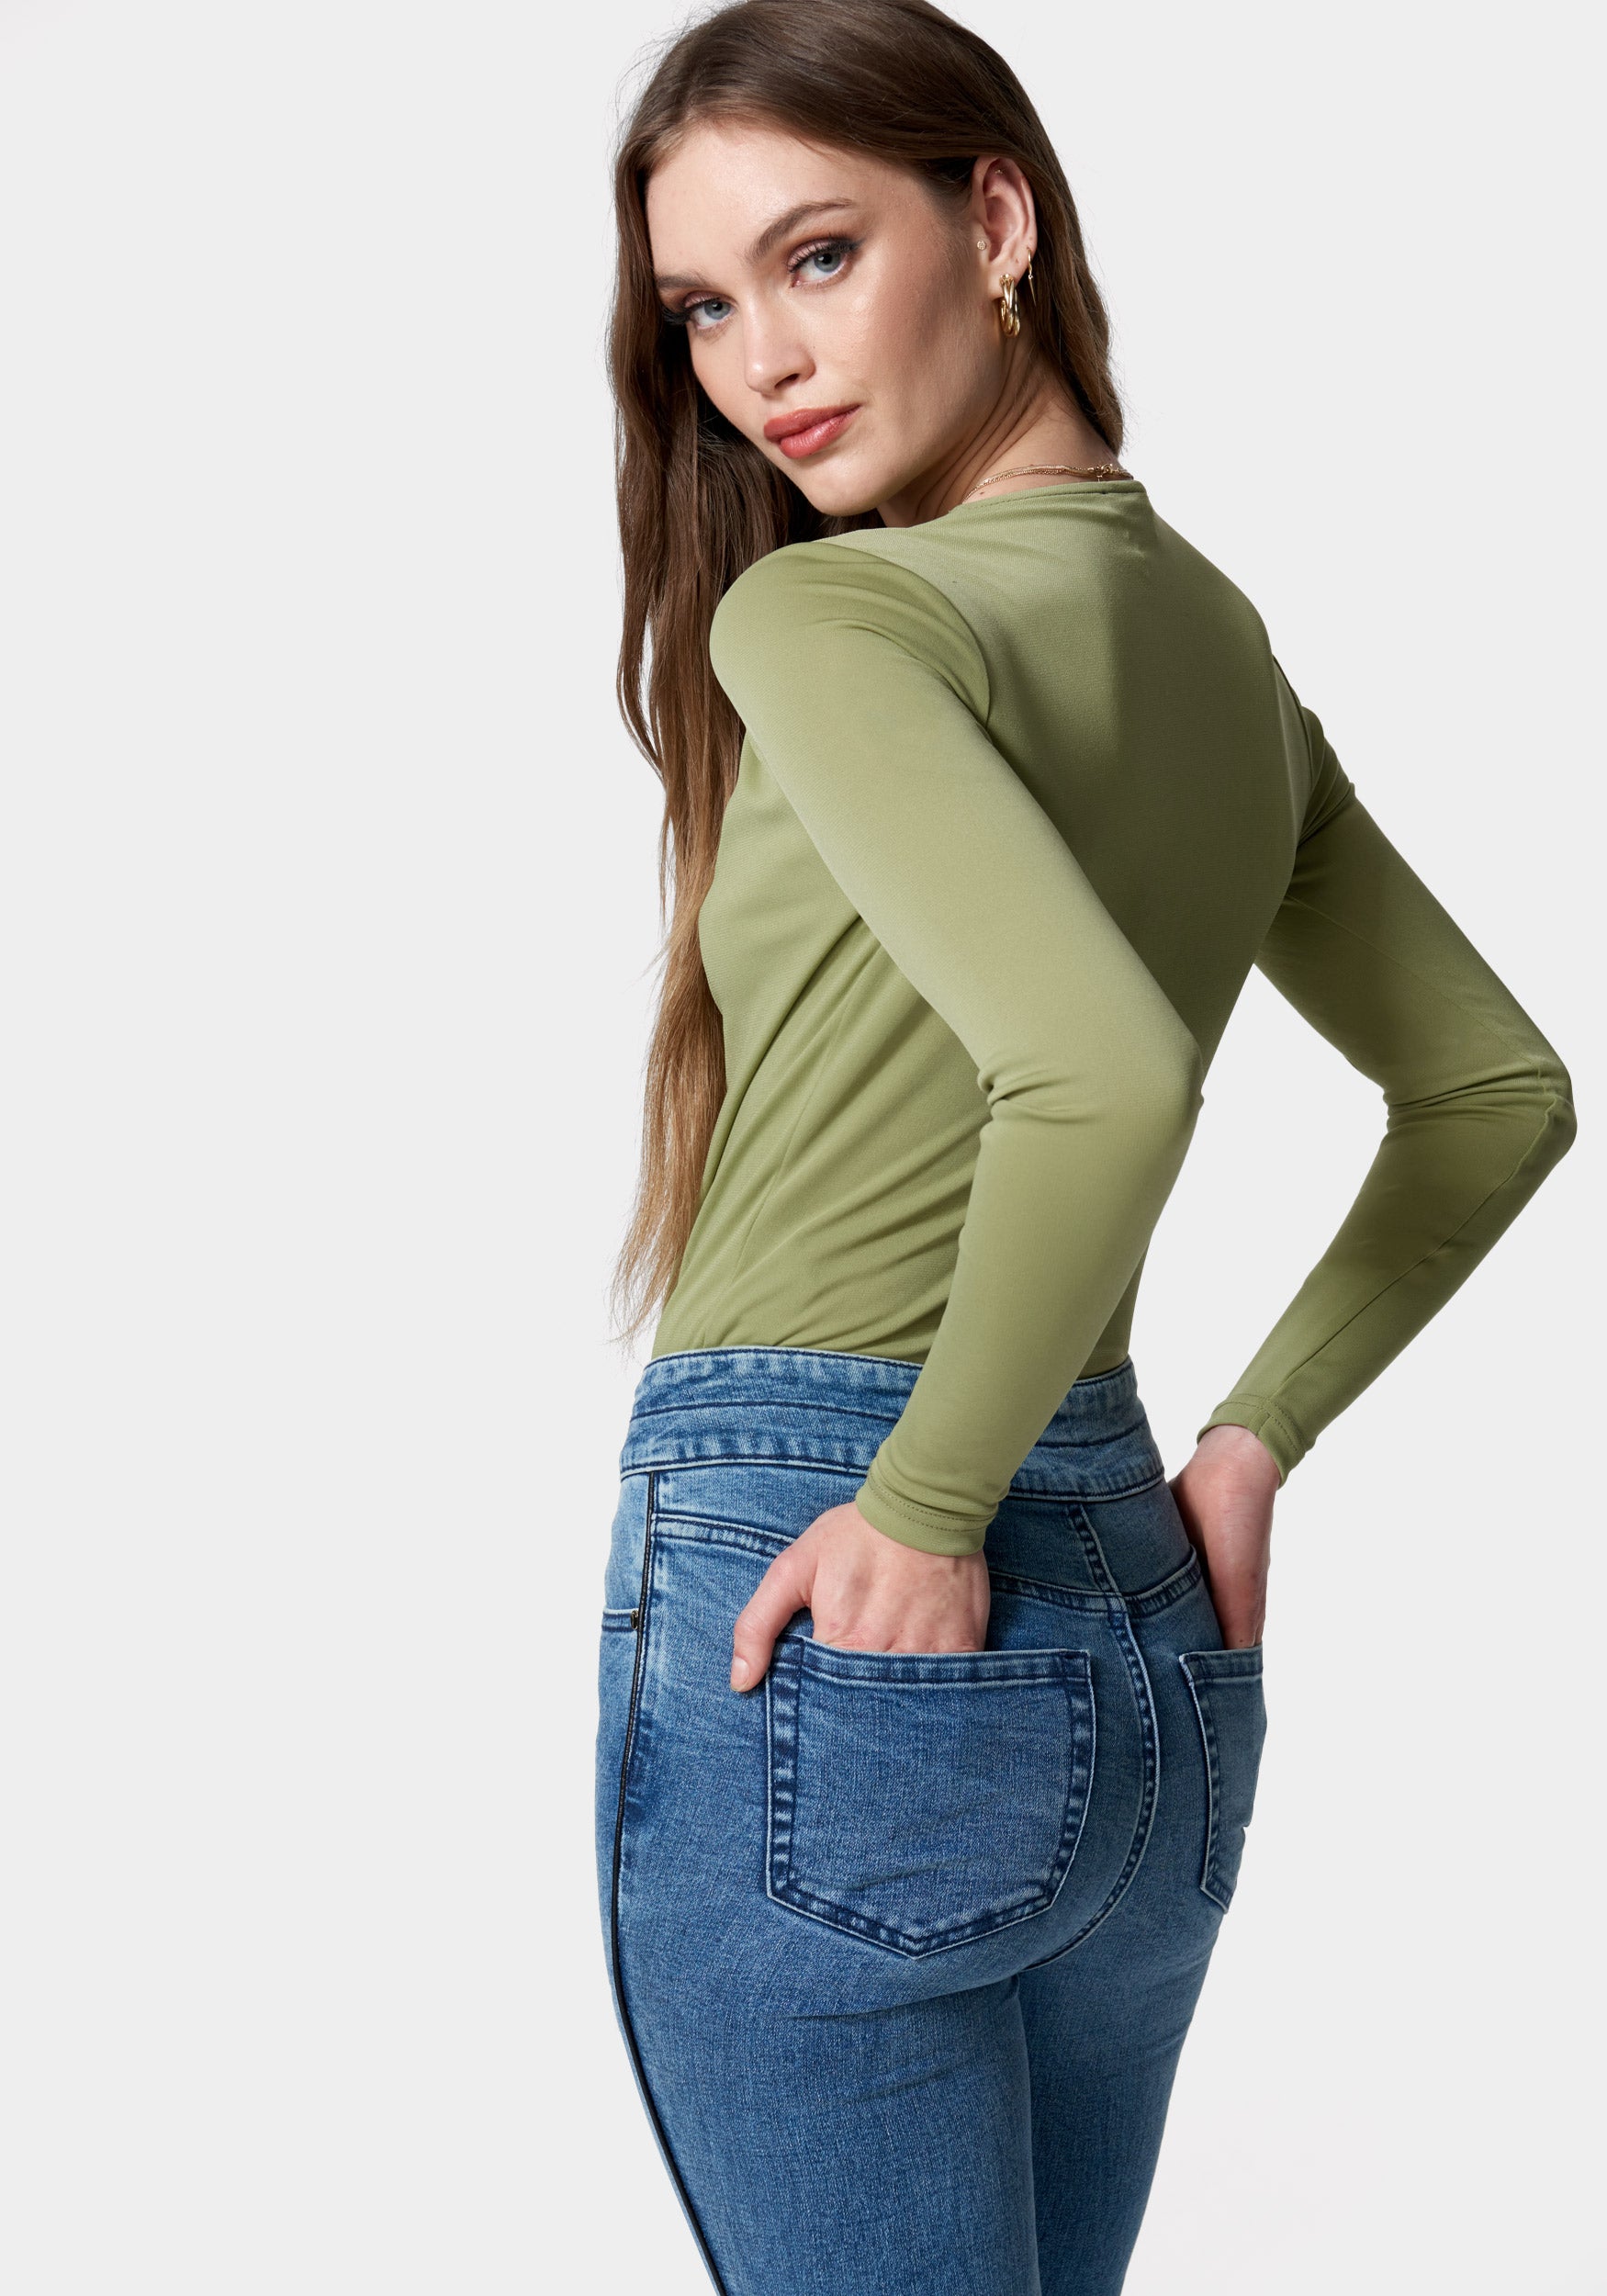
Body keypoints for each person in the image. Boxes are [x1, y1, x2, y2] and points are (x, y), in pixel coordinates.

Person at [592, 5, 1577, 2291]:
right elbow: (1491, 1090)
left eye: (816, 255)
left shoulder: (828, 608)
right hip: (1132, 1589)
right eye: (701, 310)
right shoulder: (1216, 646)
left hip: (835, 1537)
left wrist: (927, 1501)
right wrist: (1244, 1443)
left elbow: (1105, 1074)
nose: (759, 363)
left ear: (997, 217)